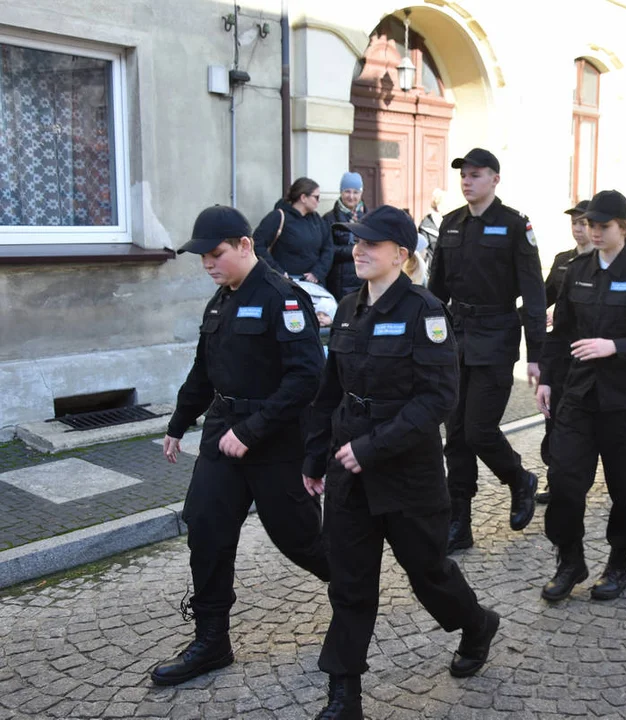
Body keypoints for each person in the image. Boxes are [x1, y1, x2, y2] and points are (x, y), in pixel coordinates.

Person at [303, 206, 499, 719]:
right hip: (349, 470)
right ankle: (344, 695)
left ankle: (476, 624)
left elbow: (438, 400)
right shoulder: (348, 308)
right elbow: (330, 391)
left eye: (371, 243)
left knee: (427, 572)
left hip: (406, 474)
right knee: (349, 583)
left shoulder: (425, 312)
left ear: (402, 254)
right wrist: (314, 455)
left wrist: (372, 448)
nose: (359, 250)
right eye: (355, 241)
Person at [151, 206, 330, 686]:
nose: (209, 264)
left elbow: (306, 377)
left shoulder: (283, 298)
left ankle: (353, 592)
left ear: (245, 245)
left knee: (298, 537)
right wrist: (178, 422)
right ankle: (212, 641)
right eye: (203, 257)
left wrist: (252, 430)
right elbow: (203, 370)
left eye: (217, 254)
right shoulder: (220, 301)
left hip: (273, 441)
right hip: (221, 433)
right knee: (205, 526)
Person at [536, 190, 626, 602]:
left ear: (623, 229)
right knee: (563, 480)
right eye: (591, 224)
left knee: (625, 487)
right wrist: (547, 378)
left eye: (603, 225)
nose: (594, 231)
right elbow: (560, 332)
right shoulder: (576, 269)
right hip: (578, 394)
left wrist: (616, 346)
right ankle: (570, 559)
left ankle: (619, 564)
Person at [427, 148, 547, 552]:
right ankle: (459, 523)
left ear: (495, 179)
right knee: (455, 434)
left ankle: (520, 480)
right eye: (463, 175)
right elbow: (435, 291)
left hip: (496, 337)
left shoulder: (515, 225)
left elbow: (533, 292)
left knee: (479, 430)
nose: (467, 181)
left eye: (476, 175)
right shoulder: (450, 225)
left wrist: (536, 354)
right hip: (457, 337)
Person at [536, 199, 593, 505]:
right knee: (552, 418)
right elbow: (542, 299)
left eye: (583, 223)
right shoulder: (561, 261)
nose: (578, 228)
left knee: (578, 422)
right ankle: (555, 478)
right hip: (559, 353)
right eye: (574, 223)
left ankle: (573, 480)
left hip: (587, 355)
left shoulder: (603, 264)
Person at [253, 177, 334, 285]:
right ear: (303, 197)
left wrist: (317, 273)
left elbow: (328, 248)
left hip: (313, 285)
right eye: (316, 197)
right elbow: (257, 245)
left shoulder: (317, 220)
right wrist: (277, 271)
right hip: (284, 283)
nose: (319, 201)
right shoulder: (279, 217)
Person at [323, 172, 367, 300]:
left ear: (361, 193)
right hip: (339, 282)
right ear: (341, 192)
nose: (351, 196)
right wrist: (355, 250)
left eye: (355, 192)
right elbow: (328, 251)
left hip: (365, 279)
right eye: (347, 191)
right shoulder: (329, 219)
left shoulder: (369, 218)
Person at [419, 188, 445, 268]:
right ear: (438, 205)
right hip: (431, 271)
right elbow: (422, 253)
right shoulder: (426, 226)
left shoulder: (450, 222)